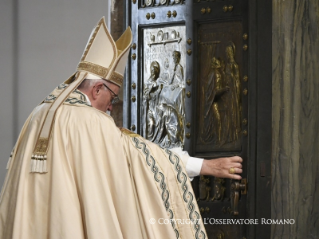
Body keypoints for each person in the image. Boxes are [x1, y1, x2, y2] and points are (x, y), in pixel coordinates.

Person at [0, 17, 242, 239]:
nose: (111, 108)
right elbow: (142, 157)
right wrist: (207, 166)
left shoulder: (38, 113)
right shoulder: (91, 122)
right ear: (97, 90)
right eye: (113, 97)